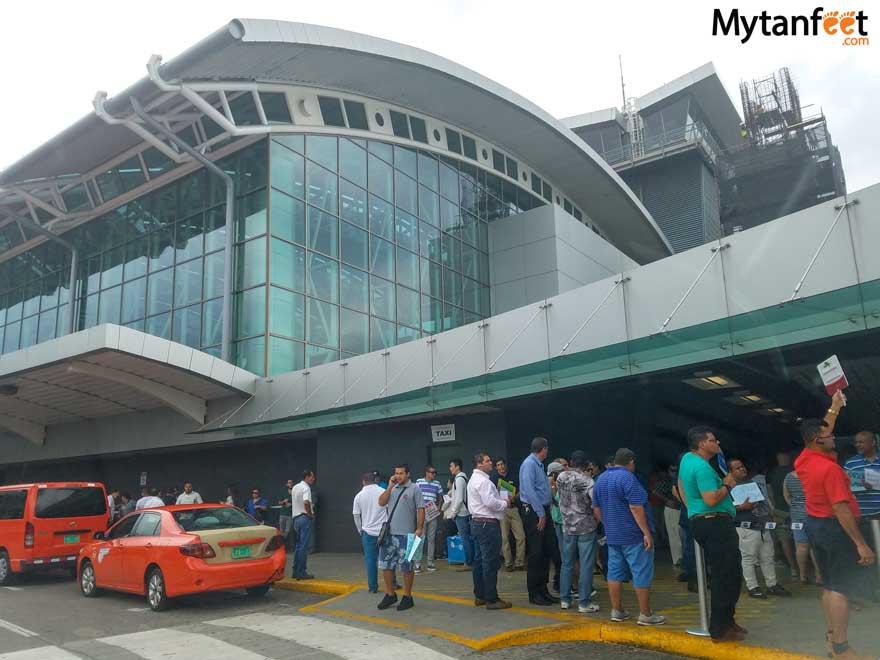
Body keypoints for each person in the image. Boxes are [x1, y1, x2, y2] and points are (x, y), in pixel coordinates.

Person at [796, 392, 876, 660]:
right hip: (835, 529)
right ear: (818, 441)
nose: (835, 437)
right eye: (829, 437)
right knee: (841, 588)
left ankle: (832, 637)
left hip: (816, 526)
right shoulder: (829, 470)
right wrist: (861, 544)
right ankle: (842, 648)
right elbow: (842, 510)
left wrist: (834, 408)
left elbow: (825, 429)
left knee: (829, 585)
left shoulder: (804, 458)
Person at [678, 426, 744, 643]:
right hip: (715, 521)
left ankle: (727, 620)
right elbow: (711, 499)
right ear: (702, 444)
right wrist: (727, 484)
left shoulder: (687, 460)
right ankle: (720, 628)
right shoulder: (703, 469)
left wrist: (690, 510)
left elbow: (679, 484)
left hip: (703, 521)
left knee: (728, 573)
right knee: (726, 575)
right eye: (713, 440)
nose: (717, 444)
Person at [592, 448, 664, 626]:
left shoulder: (600, 479)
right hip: (633, 535)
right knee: (641, 572)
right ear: (631, 461)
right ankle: (645, 614)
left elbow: (596, 508)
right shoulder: (628, 478)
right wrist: (646, 532)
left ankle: (617, 611)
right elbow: (636, 507)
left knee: (614, 573)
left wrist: (608, 525)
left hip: (613, 535)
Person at [728, 458, 790, 599]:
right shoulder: (727, 487)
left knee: (767, 557)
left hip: (762, 525)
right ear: (730, 472)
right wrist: (741, 507)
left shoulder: (751, 483)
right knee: (749, 558)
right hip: (746, 527)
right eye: (737, 468)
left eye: (742, 466)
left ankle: (772, 584)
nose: (742, 469)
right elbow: (724, 508)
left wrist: (771, 514)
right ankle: (753, 587)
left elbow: (763, 502)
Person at [556, 450, 600, 613]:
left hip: (567, 526)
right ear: (586, 464)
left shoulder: (561, 477)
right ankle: (584, 602)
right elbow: (595, 504)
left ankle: (565, 599)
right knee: (586, 564)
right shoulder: (588, 482)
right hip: (585, 527)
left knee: (567, 563)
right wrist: (600, 521)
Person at [467, 452, 513, 609]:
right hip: (487, 524)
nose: (491, 463)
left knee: (479, 560)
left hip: (477, 523)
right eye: (488, 461)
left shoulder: (473, 480)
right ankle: (491, 599)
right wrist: (505, 503)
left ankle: (480, 595)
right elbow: (490, 502)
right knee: (490, 562)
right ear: (479, 464)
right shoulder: (484, 482)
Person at [377, 463, 425, 611]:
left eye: (401, 473)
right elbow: (381, 502)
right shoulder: (392, 488)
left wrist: (419, 528)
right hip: (389, 535)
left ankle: (407, 596)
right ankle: (390, 594)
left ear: (408, 474)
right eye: (396, 473)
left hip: (407, 535)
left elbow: (421, 509)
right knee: (386, 565)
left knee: (407, 567)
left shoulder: (414, 488)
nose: (398, 476)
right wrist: (390, 487)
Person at [519, 437, 558, 605]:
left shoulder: (538, 465)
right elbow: (529, 490)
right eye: (547, 448)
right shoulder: (529, 464)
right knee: (536, 553)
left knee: (545, 552)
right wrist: (541, 513)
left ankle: (543, 590)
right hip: (535, 512)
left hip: (542, 510)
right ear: (543, 449)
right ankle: (534, 593)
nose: (547, 451)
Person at [783, 466, 823, 585]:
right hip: (812, 513)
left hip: (796, 515)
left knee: (801, 546)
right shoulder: (813, 475)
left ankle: (802, 575)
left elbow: (786, 496)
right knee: (814, 546)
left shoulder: (788, 477)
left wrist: (795, 506)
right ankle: (818, 576)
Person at [353, 471, 387, 593]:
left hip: (367, 532)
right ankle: (391, 584)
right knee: (387, 559)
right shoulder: (383, 492)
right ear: (375, 480)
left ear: (363, 482)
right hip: (384, 531)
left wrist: (360, 530)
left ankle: (373, 587)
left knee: (370, 560)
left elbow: (356, 515)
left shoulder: (359, 496)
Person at [768, 451, 797, 579]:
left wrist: (772, 509)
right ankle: (805, 568)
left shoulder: (772, 473)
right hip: (796, 509)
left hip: (779, 509)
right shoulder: (795, 472)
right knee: (802, 540)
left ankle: (793, 567)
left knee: (784, 540)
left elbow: (769, 493)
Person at [495, 457, 526, 572]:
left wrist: (514, 496)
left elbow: (521, 490)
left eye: (502, 464)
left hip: (514, 508)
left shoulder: (513, 476)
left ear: (505, 465)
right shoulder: (494, 479)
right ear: (496, 467)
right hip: (502, 510)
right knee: (504, 537)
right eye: (498, 465)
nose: (501, 467)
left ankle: (520, 562)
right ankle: (508, 563)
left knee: (521, 536)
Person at [415, 465, 444, 573]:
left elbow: (441, 497)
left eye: (435, 472)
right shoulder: (419, 482)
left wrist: (439, 507)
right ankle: (417, 564)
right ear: (427, 473)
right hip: (421, 512)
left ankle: (430, 563)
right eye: (432, 472)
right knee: (420, 538)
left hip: (432, 513)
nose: (434, 474)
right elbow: (415, 496)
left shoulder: (437, 484)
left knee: (431, 538)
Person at [652, 465, 682, 568]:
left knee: (681, 535)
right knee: (674, 535)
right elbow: (655, 491)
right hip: (672, 509)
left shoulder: (681, 478)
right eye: (672, 470)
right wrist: (667, 500)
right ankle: (677, 559)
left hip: (682, 508)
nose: (674, 472)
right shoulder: (666, 481)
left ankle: (683, 558)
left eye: (676, 470)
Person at [448, 458, 473, 572]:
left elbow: (458, 499)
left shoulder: (459, 479)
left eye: (451, 466)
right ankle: (470, 561)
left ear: (457, 467)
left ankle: (468, 562)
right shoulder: (463, 478)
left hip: (461, 514)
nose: (450, 468)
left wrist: (453, 513)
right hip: (465, 513)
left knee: (465, 539)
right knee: (467, 538)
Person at [291, 470, 317, 580]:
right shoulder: (306, 488)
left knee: (298, 546)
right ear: (307, 477)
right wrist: (310, 514)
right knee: (304, 546)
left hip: (296, 518)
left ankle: (295, 571)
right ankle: (301, 572)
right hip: (304, 518)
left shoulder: (295, 487)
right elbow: (306, 502)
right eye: (312, 477)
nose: (313, 479)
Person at [548, 458, 567, 592]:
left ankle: (566, 585)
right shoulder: (551, 484)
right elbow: (553, 501)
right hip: (556, 521)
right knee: (561, 555)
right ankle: (561, 584)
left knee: (566, 555)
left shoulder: (563, 484)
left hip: (563, 522)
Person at [278, 478, 295, 547]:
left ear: (293, 484)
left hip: (290, 514)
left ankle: (282, 542)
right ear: (287, 484)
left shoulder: (295, 492)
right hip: (282, 514)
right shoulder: (283, 492)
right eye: (288, 482)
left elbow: (298, 501)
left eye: (291, 482)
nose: (290, 484)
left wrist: (291, 504)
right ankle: (282, 545)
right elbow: (279, 502)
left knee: (287, 530)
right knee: (281, 530)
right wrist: (284, 501)